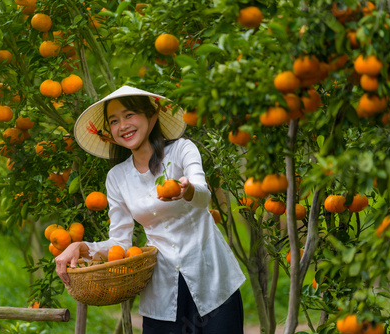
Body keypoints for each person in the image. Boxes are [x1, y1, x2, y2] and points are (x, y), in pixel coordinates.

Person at [55, 85, 246, 333]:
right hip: (163, 294)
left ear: (152, 115)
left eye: (129, 115)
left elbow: (202, 196)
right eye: (114, 121)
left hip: (213, 282)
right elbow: (120, 243)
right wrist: (81, 247)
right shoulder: (117, 177)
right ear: (110, 132)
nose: (122, 125)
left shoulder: (182, 150)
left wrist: (187, 190)